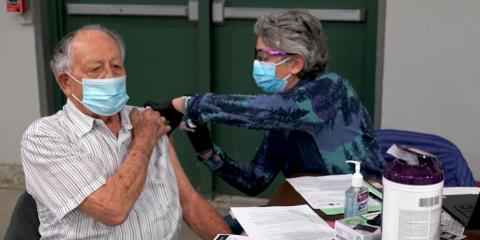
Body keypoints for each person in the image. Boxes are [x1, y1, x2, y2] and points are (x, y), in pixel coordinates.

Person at [21, 25, 230, 239]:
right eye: (95, 69)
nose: (110, 76)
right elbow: (112, 210)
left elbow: (190, 203)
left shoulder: (147, 119)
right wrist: (144, 141)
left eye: (116, 66)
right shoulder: (45, 137)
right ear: (66, 82)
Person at [164, 10, 384, 197]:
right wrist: (208, 152)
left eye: (263, 56)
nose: (257, 64)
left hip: (359, 211)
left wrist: (188, 104)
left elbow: (265, 111)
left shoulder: (331, 90)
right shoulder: (282, 116)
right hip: (314, 209)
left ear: (296, 63)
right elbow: (254, 181)